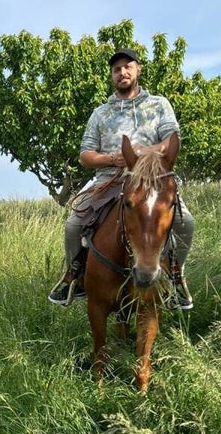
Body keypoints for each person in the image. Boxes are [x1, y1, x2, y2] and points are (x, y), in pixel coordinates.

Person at [48, 48, 195, 310]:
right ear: (112, 76)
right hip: (108, 178)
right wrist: (113, 159)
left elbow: (172, 140)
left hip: (150, 180)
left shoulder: (159, 104)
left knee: (187, 223)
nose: (122, 72)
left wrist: (142, 154)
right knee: (73, 224)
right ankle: (74, 277)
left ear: (138, 70)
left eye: (128, 67)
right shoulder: (100, 113)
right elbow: (85, 155)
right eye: (116, 69)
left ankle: (175, 277)